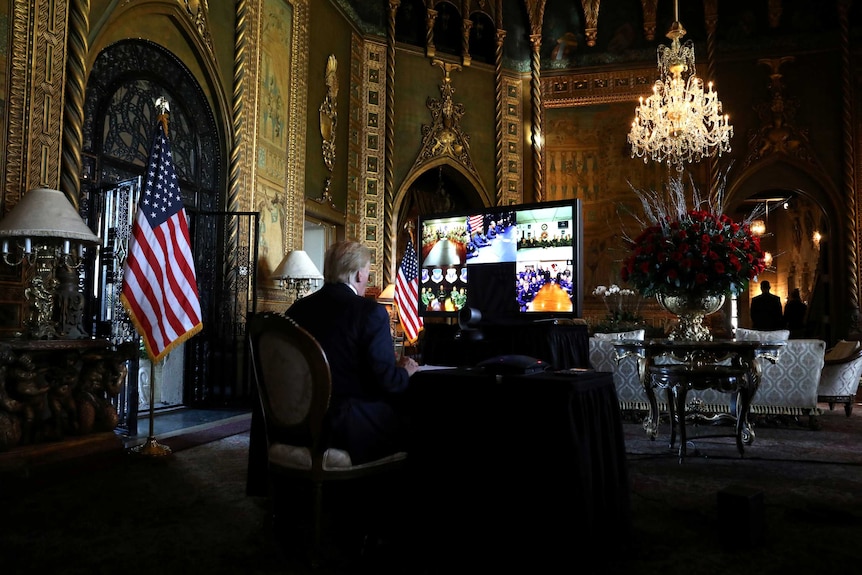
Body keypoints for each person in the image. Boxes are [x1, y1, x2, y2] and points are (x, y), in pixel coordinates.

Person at [286, 240, 419, 465]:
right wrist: (405, 371)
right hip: (344, 427)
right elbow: (388, 382)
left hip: (295, 422)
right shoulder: (370, 313)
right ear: (359, 274)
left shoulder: (296, 310)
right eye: (367, 272)